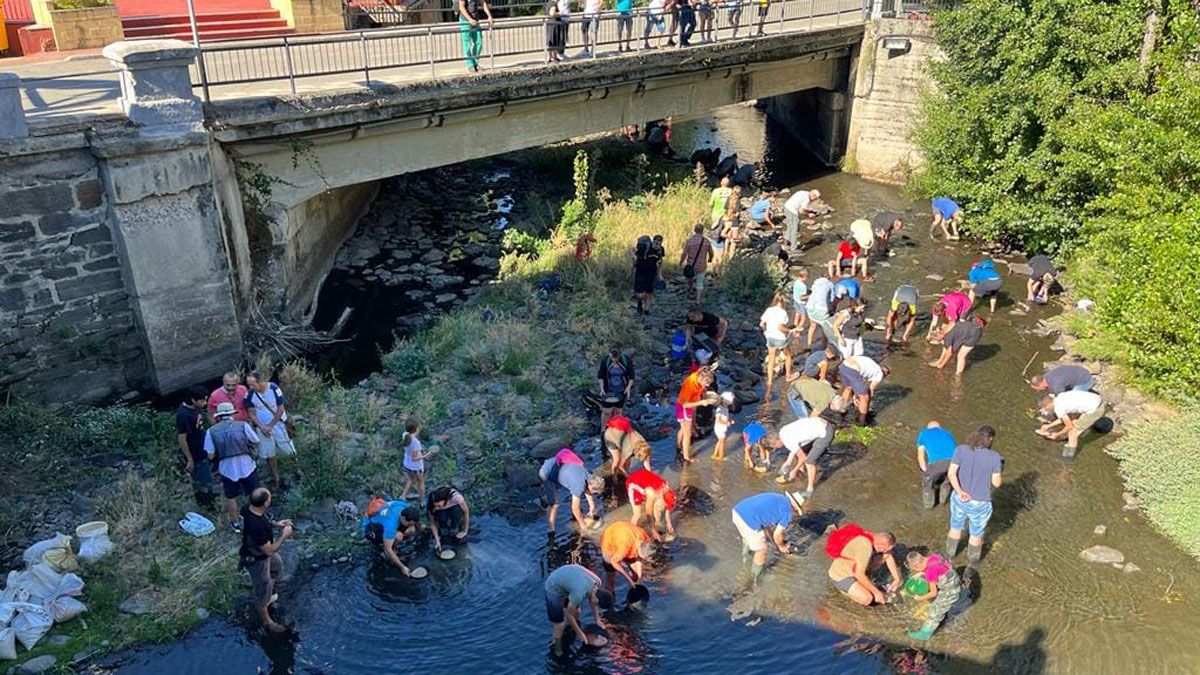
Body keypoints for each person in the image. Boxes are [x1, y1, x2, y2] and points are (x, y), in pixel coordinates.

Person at [946, 426, 1003, 565]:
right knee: (976, 533)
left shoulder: (961, 449)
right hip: (980, 502)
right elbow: (997, 483)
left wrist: (960, 492)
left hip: (959, 498)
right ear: (990, 439)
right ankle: (972, 563)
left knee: (955, 526)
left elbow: (951, 473)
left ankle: (949, 557)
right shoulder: (995, 457)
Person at [240, 487, 293, 633]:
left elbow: (263, 520)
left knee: (277, 567)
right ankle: (268, 621)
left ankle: (267, 594)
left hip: (262, 553)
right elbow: (269, 550)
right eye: (269, 497)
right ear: (265, 503)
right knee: (263, 585)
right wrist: (284, 535)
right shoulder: (257, 527)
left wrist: (277, 524)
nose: (271, 499)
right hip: (258, 559)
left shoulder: (248, 509)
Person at [204, 401, 260, 532]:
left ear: (219, 416)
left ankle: (235, 522)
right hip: (246, 464)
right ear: (232, 414)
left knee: (231, 497)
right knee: (254, 492)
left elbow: (210, 455)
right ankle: (259, 515)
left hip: (227, 468)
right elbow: (256, 440)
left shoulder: (211, 432)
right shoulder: (242, 426)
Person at [731, 491, 805, 583]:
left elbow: (764, 523)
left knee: (747, 537)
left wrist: (772, 541)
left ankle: (746, 560)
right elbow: (777, 534)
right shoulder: (788, 512)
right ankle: (757, 578)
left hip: (738, 511)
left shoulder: (777, 496)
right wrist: (781, 546)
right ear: (795, 507)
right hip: (750, 521)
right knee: (762, 550)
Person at [544, 564, 614, 655]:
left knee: (577, 612)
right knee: (560, 624)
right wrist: (579, 633)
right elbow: (568, 614)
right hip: (553, 587)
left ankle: (573, 627)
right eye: (597, 603)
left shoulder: (597, 582)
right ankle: (557, 647)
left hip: (570, 577)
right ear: (596, 599)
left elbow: (592, 600)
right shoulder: (579, 594)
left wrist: (597, 619)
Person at [243, 371, 296, 491]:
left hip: (278, 425)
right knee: (269, 453)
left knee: (289, 449)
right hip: (262, 428)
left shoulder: (273, 388)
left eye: (252, 384)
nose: (250, 387)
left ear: (260, 382)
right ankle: (276, 477)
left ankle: (297, 470)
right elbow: (251, 413)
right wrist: (262, 427)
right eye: (248, 385)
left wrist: (271, 425)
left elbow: (280, 409)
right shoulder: (250, 394)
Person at [826, 524, 900, 606]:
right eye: (885, 549)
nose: (886, 551)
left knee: (885, 556)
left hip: (855, 567)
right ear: (881, 544)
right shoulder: (865, 547)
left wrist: (897, 579)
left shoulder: (873, 537)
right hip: (841, 575)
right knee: (868, 598)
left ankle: (862, 586)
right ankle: (842, 591)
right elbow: (859, 574)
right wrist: (877, 593)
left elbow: (889, 556)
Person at [539, 448, 602, 532]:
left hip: (554, 465)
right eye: (594, 492)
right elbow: (575, 508)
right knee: (554, 504)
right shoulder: (579, 485)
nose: (594, 494)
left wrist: (592, 506)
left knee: (574, 492)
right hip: (546, 473)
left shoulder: (588, 475)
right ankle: (551, 529)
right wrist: (583, 525)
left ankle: (547, 492)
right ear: (590, 486)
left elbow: (588, 489)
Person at [904, 550, 962, 640]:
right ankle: (943, 613)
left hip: (950, 591)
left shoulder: (930, 572)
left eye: (915, 569)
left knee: (934, 611)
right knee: (938, 604)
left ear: (917, 565)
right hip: (954, 579)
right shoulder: (934, 557)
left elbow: (933, 593)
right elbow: (938, 569)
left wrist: (920, 598)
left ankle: (925, 634)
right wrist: (920, 573)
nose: (916, 571)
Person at [772, 416, 834, 496]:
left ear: (777, 441)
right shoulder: (782, 431)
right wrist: (788, 461)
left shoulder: (787, 441)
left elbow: (803, 457)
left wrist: (794, 470)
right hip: (819, 422)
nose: (775, 448)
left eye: (775, 446)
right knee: (801, 452)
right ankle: (803, 473)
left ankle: (809, 490)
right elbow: (795, 446)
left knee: (809, 462)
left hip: (826, 432)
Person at [176, 385, 215, 509]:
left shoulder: (195, 408)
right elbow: (182, 438)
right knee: (201, 478)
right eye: (202, 400)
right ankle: (206, 504)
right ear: (193, 400)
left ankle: (209, 497)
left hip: (202, 447)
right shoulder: (184, 415)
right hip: (195, 452)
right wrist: (189, 458)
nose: (205, 403)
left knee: (207, 475)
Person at [360, 497, 422, 575]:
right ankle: (389, 547)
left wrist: (421, 528)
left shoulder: (404, 506)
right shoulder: (390, 525)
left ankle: (392, 542)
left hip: (384, 520)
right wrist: (402, 567)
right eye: (409, 524)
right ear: (403, 519)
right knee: (398, 537)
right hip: (372, 529)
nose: (410, 525)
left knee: (412, 529)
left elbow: (414, 524)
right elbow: (388, 550)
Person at [1036, 390, 1106, 458]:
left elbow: (1069, 427)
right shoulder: (1059, 397)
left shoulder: (1058, 408)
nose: (1045, 410)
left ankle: (1068, 456)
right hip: (1096, 401)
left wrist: (1057, 434)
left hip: (1096, 410)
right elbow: (1064, 417)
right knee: (1074, 422)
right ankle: (1070, 441)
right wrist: (1049, 425)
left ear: (1049, 404)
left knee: (1072, 433)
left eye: (1045, 408)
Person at [600, 521, 652, 596]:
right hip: (609, 544)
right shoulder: (625, 544)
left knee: (636, 576)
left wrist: (639, 576)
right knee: (611, 579)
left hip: (625, 538)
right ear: (639, 549)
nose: (641, 558)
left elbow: (639, 558)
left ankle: (632, 593)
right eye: (642, 556)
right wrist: (628, 579)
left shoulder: (645, 539)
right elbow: (614, 561)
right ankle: (608, 600)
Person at [676, 366, 717, 462]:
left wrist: (706, 394)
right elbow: (685, 405)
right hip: (683, 407)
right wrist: (702, 402)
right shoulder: (690, 385)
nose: (707, 385)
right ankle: (686, 457)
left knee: (683, 429)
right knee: (687, 433)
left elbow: (706, 369)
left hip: (690, 405)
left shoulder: (699, 374)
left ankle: (678, 447)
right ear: (701, 379)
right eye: (706, 383)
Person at [626, 467, 676, 541]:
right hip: (633, 483)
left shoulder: (666, 486)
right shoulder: (652, 494)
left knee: (658, 505)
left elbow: (668, 507)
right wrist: (653, 531)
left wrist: (669, 523)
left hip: (645, 479)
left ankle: (657, 524)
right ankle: (630, 535)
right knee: (637, 514)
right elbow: (648, 513)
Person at [760, 292, 794, 398]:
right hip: (780, 338)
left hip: (769, 337)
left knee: (771, 359)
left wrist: (765, 332)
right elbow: (781, 328)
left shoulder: (769, 310)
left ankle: (769, 381)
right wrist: (789, 330)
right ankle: (788, 375)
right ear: (784, 302)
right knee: (788, 355)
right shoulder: (783, 313)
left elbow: (761, 324)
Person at [838, 356, 890, 424]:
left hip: (843, 366)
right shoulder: (879, 374)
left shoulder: (872, 366)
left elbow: (857, 384)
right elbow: (870, 390)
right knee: (865, 397)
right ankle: (861, 422)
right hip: (853, 369)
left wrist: (855, 396)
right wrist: (868, 403)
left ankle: (840, 410)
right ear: (885, 374)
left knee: (848, 388)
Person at [917, 421, 957, 509]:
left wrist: (925, 471)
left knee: (928, 484)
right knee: (947, 482)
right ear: (940, 427)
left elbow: (921, 455)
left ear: (928, 427)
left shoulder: (923, 433)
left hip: (938, 462)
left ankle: (929, 506)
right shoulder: (948, 433)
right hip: (954, 462)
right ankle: (943, 502)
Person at [400, 419, 437, 500]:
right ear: (415, 429)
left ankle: (403, 496)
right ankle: (422, 500)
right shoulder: (416, 443)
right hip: (416, 467)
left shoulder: (405, 434)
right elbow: (415, 458)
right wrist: (426, 455)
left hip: (406, 463)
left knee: (411, 479)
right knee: (421, 482)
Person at [597, 347, 635, 428]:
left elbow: (631, 376)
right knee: (607, 411)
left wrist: (628, 388)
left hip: (622, 390)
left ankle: (616, 429)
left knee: (618, 411)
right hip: (608, 389)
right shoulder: (606, 361)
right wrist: (602, 389)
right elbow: (600, 376)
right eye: (612, 357)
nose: (613, 359)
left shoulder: (626, 361)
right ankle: (603, 430)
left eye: (615, 358)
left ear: (619, 356)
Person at [427, 486, 470, 552]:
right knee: (441, 516)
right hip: (442, 512)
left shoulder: (456, 497)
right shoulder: (432, 504)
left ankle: (454, 527)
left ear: (444, 499)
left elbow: (466, 512)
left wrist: (465, 531)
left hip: (453, 508)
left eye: (438, 505)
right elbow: (432, 523)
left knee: (455, 513)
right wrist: (437, 540)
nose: (437, 507)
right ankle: (443, 528)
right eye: (435, 506)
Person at [680, 223, 714, 302]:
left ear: (694, 230)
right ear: (702, 231)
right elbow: (711, 252)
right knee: (700, 282)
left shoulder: (689, 241)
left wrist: (680, 263)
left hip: (691, 264)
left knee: (690, 277)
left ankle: (690, 289)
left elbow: (684, 254)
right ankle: (698, 299)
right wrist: (710, 259)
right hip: (702, 265)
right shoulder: (706, 241)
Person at [457, 0, 493, 73]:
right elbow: (461, 7)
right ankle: (470, 65)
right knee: (467, 43)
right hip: (465, 20)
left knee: (479, 42)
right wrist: (469, 19)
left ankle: (475, 63)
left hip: (475, 19)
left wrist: (489, 16)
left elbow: (483, 3)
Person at [633, 235, 663, 315]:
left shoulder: (660, 250)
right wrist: (634, 258)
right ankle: (639, 303)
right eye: (656, 243)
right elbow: (634, 253)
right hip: (641, 272)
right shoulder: (645, 248)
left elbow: (660, 262)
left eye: (659, 244)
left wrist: (659, 274)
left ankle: (646, 310)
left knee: (649, 292)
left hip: (652, 273)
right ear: (653, 241)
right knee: (640, 295)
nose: (657, 245)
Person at [805, 274, 835, 347]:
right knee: (824, 329)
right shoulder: (830, 285)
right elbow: (832, 299)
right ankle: (823, 346)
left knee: (812, 326)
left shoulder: (816, 282)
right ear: (829, 278)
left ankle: (809, 344)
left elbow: (812, 291)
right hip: (821, 309)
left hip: (810, 307)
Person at [713, 391, 735, 461]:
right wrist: (726, 423)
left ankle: (715, 454)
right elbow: (718, 420)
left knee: (720, 441)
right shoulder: (719, 409)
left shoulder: (725, 407)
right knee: (722, 442)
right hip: (719, 428)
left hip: (722, 428)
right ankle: (721, 457)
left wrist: (729, 420)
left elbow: (725, 417)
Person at [790, 267, 809, 331]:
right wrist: (809, 296)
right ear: (804, 277)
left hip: (795, 300)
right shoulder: (803, 286)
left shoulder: (796, 282)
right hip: (801, 303)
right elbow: (802, 297)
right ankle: (799, 327)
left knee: (797, 313)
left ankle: (795, 325)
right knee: (803, 317)